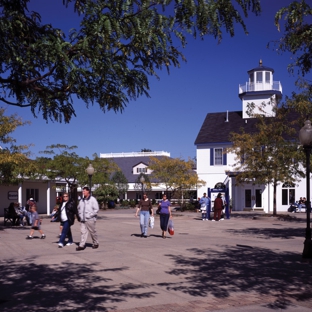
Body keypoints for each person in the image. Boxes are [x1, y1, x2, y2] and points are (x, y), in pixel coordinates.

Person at [76, 186, 99, 251]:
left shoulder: (92, 199)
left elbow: (96, 209)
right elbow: (79, 208)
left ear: (88, 191)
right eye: (83, 191)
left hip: (90, 219)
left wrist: (89, 215)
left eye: (84, 191)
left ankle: (96, 243)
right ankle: (81, 245)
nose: (83, 192)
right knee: (83, 232)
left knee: (92, 232)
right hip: (83, 220)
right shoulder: (81, 200)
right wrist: (80, 215)